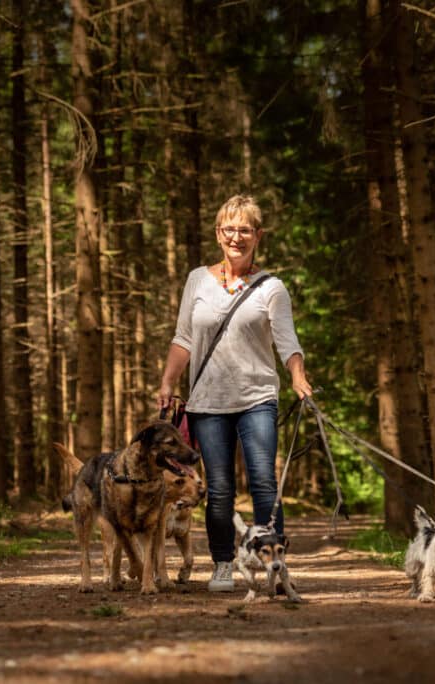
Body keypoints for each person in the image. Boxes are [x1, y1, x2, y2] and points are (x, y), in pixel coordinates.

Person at [157, 194, 312, 593]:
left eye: (245, 230)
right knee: (221, 487)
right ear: (218, 233)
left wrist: (297, 375)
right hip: (207, 401)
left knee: (263, 481)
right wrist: (168, 384)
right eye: (229, 229)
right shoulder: (197, 279)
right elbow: (184, 339)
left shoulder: (271, 288)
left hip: (257, 396)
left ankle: (274, 563)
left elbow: (287, 340)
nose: (236, 237)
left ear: (258, 235)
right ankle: (223, 563)